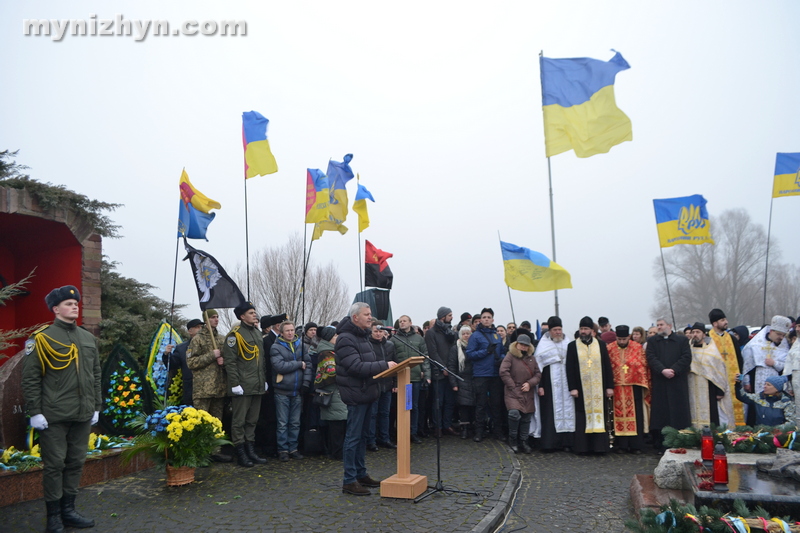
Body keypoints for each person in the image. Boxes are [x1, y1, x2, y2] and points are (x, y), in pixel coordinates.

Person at [22, 285, 101, 532]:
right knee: (55, 464)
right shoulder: (42, 338)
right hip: (53, 414)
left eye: (76, 303)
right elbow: (31, 378)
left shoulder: (87, 338)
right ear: (56, 309)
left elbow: (96, 374)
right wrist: (35, 411)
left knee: (76, 462)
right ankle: (53, 516)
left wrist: (97, 405)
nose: (74, 306)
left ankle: (68, 511)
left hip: (83, 412)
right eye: (68, 304)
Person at [336, 302, 397, 496]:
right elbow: (356, 367)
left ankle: (361, 474)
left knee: (362, 437)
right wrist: (384, 365)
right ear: (355, 318)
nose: (370, 317)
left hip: (369, 392)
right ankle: (349, 480)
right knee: (353, 437)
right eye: (367, 314)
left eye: (370, 314)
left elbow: (368, 364)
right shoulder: (346, 339)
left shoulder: (363, 337)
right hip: (356, 394)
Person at [223, 302, 268, 468]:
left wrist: (263, 380)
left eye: (254, 312)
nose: (254, 315)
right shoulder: (234, 336)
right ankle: (240, 452)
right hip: (242, 385)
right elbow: (230, 362)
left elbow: (260, 360)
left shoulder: (256, 333)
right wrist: (235, 383)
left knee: (252, 420)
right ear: (242, 316)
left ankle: (251, 450)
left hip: (256, 385)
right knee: (239, 421)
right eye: (250, 312)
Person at [186, 309, 231, 463]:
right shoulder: (197, 340)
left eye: (217, 317)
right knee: (201, 423)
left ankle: (215, 451)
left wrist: (223, 361)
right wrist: (212, 355)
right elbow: (191, 362)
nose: (216, 320)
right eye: (213, 317)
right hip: (203, 389)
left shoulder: (221, 338)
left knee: (216, 422)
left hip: (219, 387)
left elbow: (228, 360)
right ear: (206, 320)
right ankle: (199, 453)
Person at [566, 317, 614, 454]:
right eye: (581, 329)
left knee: (599, 415)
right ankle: (583, 448)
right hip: (581, 389)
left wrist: (609, 386)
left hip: (599, 389)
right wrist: (572, 388)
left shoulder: (601, 345)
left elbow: (607, 366)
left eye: (586, 329)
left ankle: (599, 447)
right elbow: (569, 368)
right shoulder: (572, 346)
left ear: (592, 331)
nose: (583, 332)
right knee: (582, 417)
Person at [646, 318, 692, 453]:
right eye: (658, 325)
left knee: (678, 414)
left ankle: (680, 442)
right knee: (662, 415)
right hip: (660, 382)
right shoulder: (653, 341)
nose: (659, 327)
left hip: (677, 382)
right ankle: (661, 444)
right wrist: (662, 370)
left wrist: (674, 370)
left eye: (662, 325)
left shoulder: (682, 341)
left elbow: (686, 357)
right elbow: (651, 357)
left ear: (669, 326)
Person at [270, 320, 312, 462]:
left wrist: (306, 382)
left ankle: (293, 448)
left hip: (297, 390)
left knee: (295, 422)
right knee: (282, 423)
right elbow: (280, 366)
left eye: (292, 330)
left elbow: (309, 365)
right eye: (287, 330)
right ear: (281, 332)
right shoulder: (275, 347)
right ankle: (283, 449)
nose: (290, 333)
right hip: (282, 390)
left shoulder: (302, 346)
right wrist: (298, 364)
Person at [533, 316, 575, 452]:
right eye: (555, 330)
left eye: (560, 329)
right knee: (550, 413)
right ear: (550, 331)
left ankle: (567, 443)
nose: (558, 332)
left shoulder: (568, 343)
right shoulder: (543, 346)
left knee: (569, 411)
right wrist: (541, 386)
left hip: (567, 384)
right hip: (550, 386)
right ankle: (550, 443)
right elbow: (540, 368)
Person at [607, 325, 650, 454]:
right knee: (617, 414)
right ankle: (621, 445)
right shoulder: (610, 348)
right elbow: (607, 367)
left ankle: (636, 445)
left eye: (624, 339)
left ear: (628, 337)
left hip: (633, 387)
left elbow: (642, 365)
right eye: (619, 339)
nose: (621, 342)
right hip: (617, 388)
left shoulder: (637, 348)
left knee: (635, 415)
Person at [466, 308, 506, 442]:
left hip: (495, 374)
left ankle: (498, 431)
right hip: (481, 374)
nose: (486, 319)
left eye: (489, 317)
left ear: (493, 320)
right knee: (481, 405)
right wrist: (485, 352)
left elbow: (501, 351)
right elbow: (470, 354)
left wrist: (502, 358)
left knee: (496, 404)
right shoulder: (475, 336)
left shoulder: (496, 335)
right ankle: (479, 432)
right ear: (480, 319)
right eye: (484, 317)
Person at [741, 316, 790, 425]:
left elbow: (787, 366)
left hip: (775, 383)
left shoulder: (784, 347)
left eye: (783, 335)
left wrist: (775, 363)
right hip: (756, 380)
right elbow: (748, 364)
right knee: (754, 408)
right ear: (771, 331)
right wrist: (747, 381)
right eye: (778, 334)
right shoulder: (755, 344)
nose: (781, 338)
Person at [499, 334, 541, 454]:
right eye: (521, 344)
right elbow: (503, 371)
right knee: (514, 414)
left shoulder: (532, 358)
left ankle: (524, 441)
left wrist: (530, 383)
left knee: (526, 417)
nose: (523, 347)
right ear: (517, 344)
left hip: (527, 391)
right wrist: (512, 385)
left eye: (525, 345)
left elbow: (538, 374)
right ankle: (513, 440)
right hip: (513, 391)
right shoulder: (510, 356)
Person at [687, 322, 733, 429]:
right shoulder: (688, 349)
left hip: (709, 388)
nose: (695, 334)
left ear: (704, 334)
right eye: (693, 332)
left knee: (711, 414)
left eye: (698, 332)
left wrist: (720, 391)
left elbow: (719, 372)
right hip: (691, 386)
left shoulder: (712, 350)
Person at [394, 315, 430, 444]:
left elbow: (425, 357)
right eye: (400, 321)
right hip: (400, 378)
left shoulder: (418, 339)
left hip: (415, 378)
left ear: (410, 323)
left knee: (413, 406)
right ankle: (401, 432)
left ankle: (413, 432)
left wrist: (427, 375)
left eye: (404, 321)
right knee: (401, 407)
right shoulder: (394, 339)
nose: (402, 323)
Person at [424, 306, 458, 437]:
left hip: (452, 372)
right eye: (449, 315)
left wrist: (451, 368)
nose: (451, 317)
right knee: (438, 402)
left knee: (450, 401)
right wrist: (442, 367)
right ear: (443, 317)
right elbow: (433, 353)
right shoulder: (431, 333)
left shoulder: (450, 332)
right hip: (439, 373)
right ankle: (437, 426)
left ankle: (447, 424)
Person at [707, 309, 744, 426]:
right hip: (716, 381)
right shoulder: (708, 338)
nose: (726, 322)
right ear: (715, 323)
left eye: (725, 319)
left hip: (733, 381)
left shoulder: (732, 338)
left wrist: (740, 376)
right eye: (722, 320)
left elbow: (739, 359)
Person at [314, 326, 347, 459]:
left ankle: (338, 451)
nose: (338, 338)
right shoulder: (326, 353)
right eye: (335, 336)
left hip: (339, 394)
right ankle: (336, 452)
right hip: (333, 393)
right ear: (329, 338)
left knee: (340, 424)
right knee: (336, 426)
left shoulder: (333, 351)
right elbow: (331, 372)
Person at [367, 320, 397, 450]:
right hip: (373, 384)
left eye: (380, 331)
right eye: (375, 331)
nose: (378, 334)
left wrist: (395, 382)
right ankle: (371, 440)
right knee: (372, 414)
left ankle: (384, 438)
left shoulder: (390, 345)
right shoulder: (367, 345)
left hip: (387, 384)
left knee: (385, 413)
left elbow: (396, 364)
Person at [163, 318, 204, 406]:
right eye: (197, 327)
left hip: (207, 389)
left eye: (201, 327)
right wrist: (167, 354)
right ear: (190, 331)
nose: (200, 329)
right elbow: (172, 365)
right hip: (191, 389)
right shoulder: (182, 348)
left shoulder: (209, 345)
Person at [448, 326, 476, 439]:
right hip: (461, 380)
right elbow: (452, 366)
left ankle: (472, 428)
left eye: (468, 333)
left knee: (474, 406)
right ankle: (464, 428)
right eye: (464, 333)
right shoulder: (456, 348)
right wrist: (454, 383)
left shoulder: (475, 347)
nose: (466, 336)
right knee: (463, 406)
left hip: (474, 379)